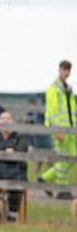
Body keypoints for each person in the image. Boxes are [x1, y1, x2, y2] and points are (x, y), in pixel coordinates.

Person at [42, 59, 75, 196]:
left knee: (72, 157)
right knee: (63, 158)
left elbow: (72, 110)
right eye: (64, 69)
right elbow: (52, 111)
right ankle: (63, 190)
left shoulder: (69, 89)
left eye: (68, 69)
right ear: (59, 70)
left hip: (71, 130)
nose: (66, 72)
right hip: (60, 130)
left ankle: (45, 178)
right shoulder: (53, 89)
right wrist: (56, 130)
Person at [0, 110, 28, 221]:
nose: (6, 121)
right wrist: (6, 150)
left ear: (13, 121)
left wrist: (0, 150)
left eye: (9, 118)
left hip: (16, 171)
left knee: (17, 186)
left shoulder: (21, 136)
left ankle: (12, 214)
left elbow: (20, 151)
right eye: (3, 118)